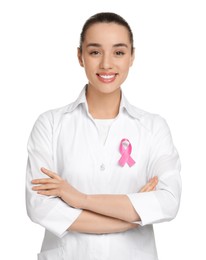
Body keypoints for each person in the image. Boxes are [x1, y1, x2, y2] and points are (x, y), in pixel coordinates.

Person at [26, 12, 181, 260]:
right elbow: (41, 208)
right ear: (80, 56)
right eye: (95, 52)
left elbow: (167, 202)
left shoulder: (154, 128)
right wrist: (131, 217)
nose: (106, 64)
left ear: (132, 57)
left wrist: (78, 198)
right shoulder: (50, 125)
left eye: (118, 52)